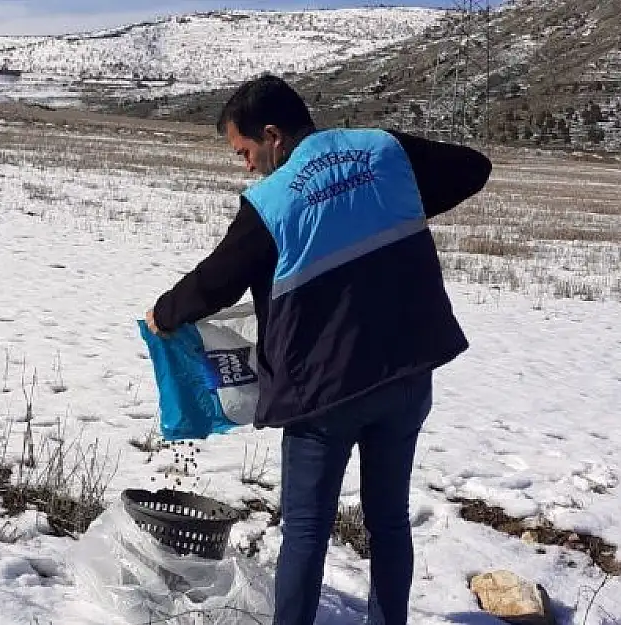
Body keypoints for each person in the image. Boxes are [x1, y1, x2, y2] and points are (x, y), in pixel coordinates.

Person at [145, 74, 491, 625]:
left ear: (273, 134)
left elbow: (219, 281)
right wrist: (394, 205)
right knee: (390, 521)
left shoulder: (274, 199)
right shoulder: (384, 151)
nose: (247, 166)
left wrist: (163, 314)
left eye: (245, 151)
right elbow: (474, 167)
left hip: (326, 392)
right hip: (406, 376)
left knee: (306, 528)